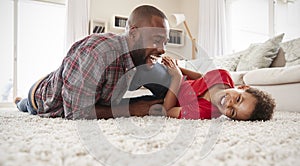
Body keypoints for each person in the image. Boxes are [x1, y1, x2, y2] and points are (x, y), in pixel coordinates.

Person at [14, 5, 171, 119]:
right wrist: (132, 109)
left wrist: (177, 74)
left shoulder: (141, 56)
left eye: (165, 42)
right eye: (157, 40)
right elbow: (77, 112)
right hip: (44, 96)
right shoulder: (97, 53)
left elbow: (174, 89)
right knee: (25, 105)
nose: (162, 49)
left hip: (91, 91)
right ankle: (19, 101)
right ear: (134, 33)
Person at [159, 56, 275, 121]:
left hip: (165, 94)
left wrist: (177, 77)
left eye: (233, 112)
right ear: (242, 87)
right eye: (238, 99)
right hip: (177, 78)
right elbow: (201, 78)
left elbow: (167, 111)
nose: (230, 104)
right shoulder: (223, 75)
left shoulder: (203, 113)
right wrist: (177, 68)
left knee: (151, 71)